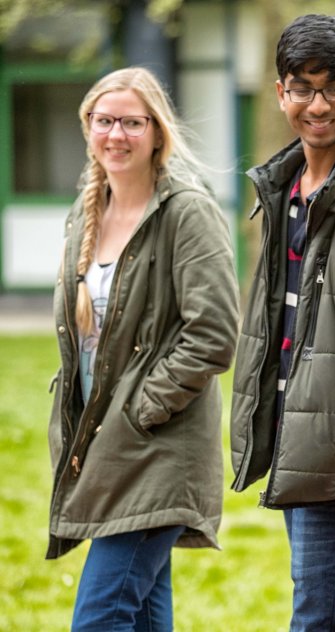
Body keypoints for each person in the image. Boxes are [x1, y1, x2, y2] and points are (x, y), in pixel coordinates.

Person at [47, 66, 239, 631]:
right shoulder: (86, 211)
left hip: (156, 449)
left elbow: (213, 334)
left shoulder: (187, 213)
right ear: (88, 128)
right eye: (105, 121)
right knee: (145, 615)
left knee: (99, 618)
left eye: (133, 122)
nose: (117, 134)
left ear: (157, 132)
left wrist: (140, 411)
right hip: (105, 448)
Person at [228, 14, 335, 632]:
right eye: (301, 87)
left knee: (321, 616)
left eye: (334, 86)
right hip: (296, 439)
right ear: (280, 93)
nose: (318, 103)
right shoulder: (284, 188)